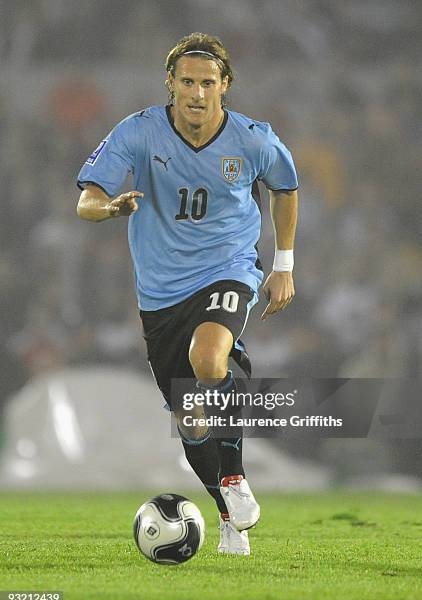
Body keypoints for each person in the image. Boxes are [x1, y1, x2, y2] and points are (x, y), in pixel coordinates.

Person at [77, 32, 298, 556]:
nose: (196, 93)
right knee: (190, 417)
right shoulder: (138, 132)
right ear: (170, 85)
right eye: (186, 82)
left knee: (208, 357)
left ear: (225, 85)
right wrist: (109, 209)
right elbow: (87, 199)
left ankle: (235, 476)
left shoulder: (253, 140)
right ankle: (226, 517)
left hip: (228, 268)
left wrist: (284, 265)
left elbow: (286, 188)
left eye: (207, 82)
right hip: (160, 292)